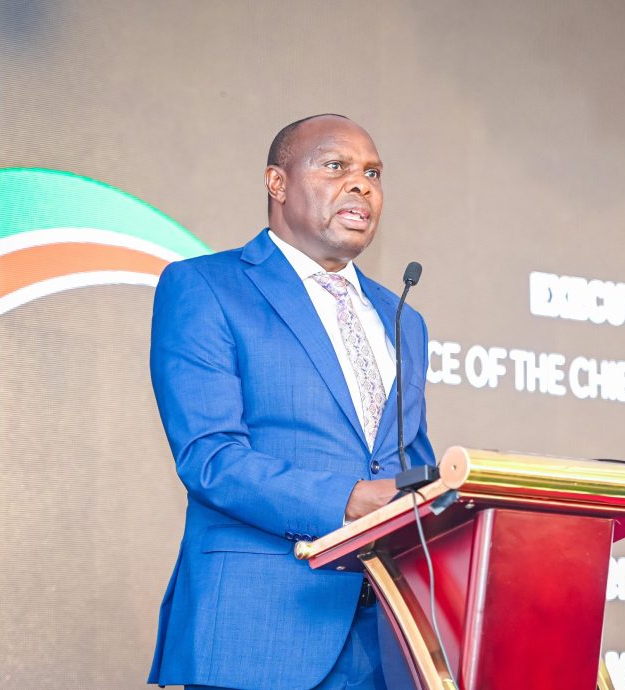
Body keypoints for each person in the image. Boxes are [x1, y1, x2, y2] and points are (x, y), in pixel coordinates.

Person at [147, 114, 435, 690]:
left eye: (373, 173)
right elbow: (210, 459)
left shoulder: (402, 316)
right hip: (260, 631)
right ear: (276, 183)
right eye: (336, 166)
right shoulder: (205, 286)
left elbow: (408, 463)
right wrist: (347, 500)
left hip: (389, 639)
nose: (361, 185)